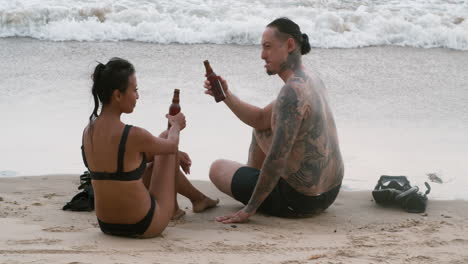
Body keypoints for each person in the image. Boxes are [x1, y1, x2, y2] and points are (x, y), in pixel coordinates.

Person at [204, 18, 344, 223]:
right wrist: (226, 95)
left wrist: (249, 210)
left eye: (268, 47)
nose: (262, 55)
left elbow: (276, 159)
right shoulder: (310, 77)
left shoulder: (291, 93)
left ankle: (253, 191)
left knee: (217, 168)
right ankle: (252, 180)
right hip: (330, 192)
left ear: (289, 45)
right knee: (261, 127)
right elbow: (260, 117)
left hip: (300, 200)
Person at [82, 57, 218, 238]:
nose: (137, 96)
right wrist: (176, 126)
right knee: (166, 141)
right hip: (143, 224)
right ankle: (176, 209)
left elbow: (127, 158)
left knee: (159, 152)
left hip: (106, 225)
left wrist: (174, 151)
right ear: (117, 95)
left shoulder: (88, 131)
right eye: (135, 90)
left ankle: (198, 199)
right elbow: (171, 146)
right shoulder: (134, 135)